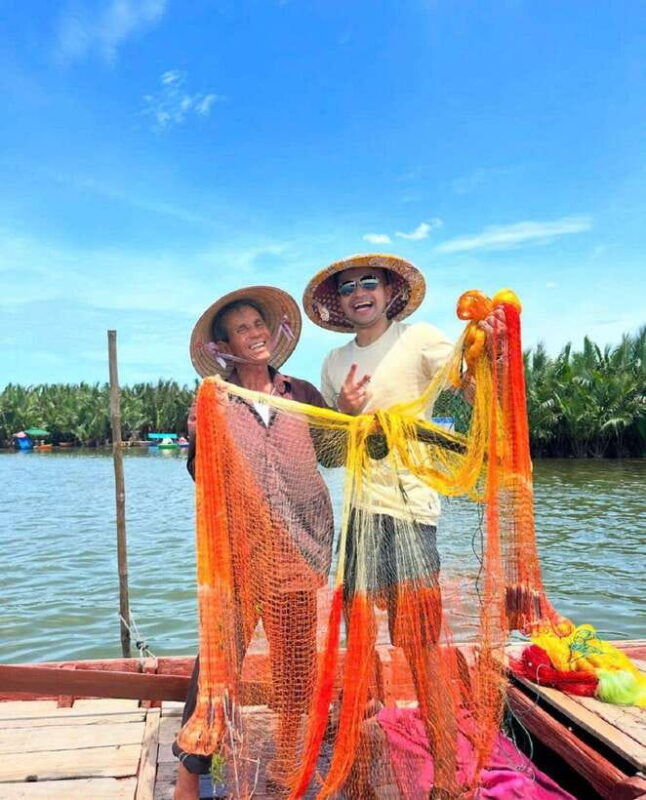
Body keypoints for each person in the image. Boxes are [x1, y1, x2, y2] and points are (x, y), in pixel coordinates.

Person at [303, 253, 487, 799]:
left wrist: (487, 348)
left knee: (421, 642)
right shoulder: (335, 363)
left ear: (388, 293)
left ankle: (448, 777)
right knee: (359, 635)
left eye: (369, 284)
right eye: (348, 288)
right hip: (361, 514)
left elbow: (471, 389)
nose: (359, 293)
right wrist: (348, 409)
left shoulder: (420, 339)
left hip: (410, 511)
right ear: (338, 303)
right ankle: (359, 748)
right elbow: (333, 455)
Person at [174, 286, 335, 800]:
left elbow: (334, 452)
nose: (255, 334)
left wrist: (351, 410)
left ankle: (289, 758)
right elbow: (203, 476)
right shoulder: (215, 399)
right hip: (238, 554)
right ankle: (189, 773)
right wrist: (200, 436)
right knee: (217, 665)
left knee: (295, 664)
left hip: (298, 549)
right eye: (242, 329)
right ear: (225, 346)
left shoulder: (303, 393)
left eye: (259, 324)